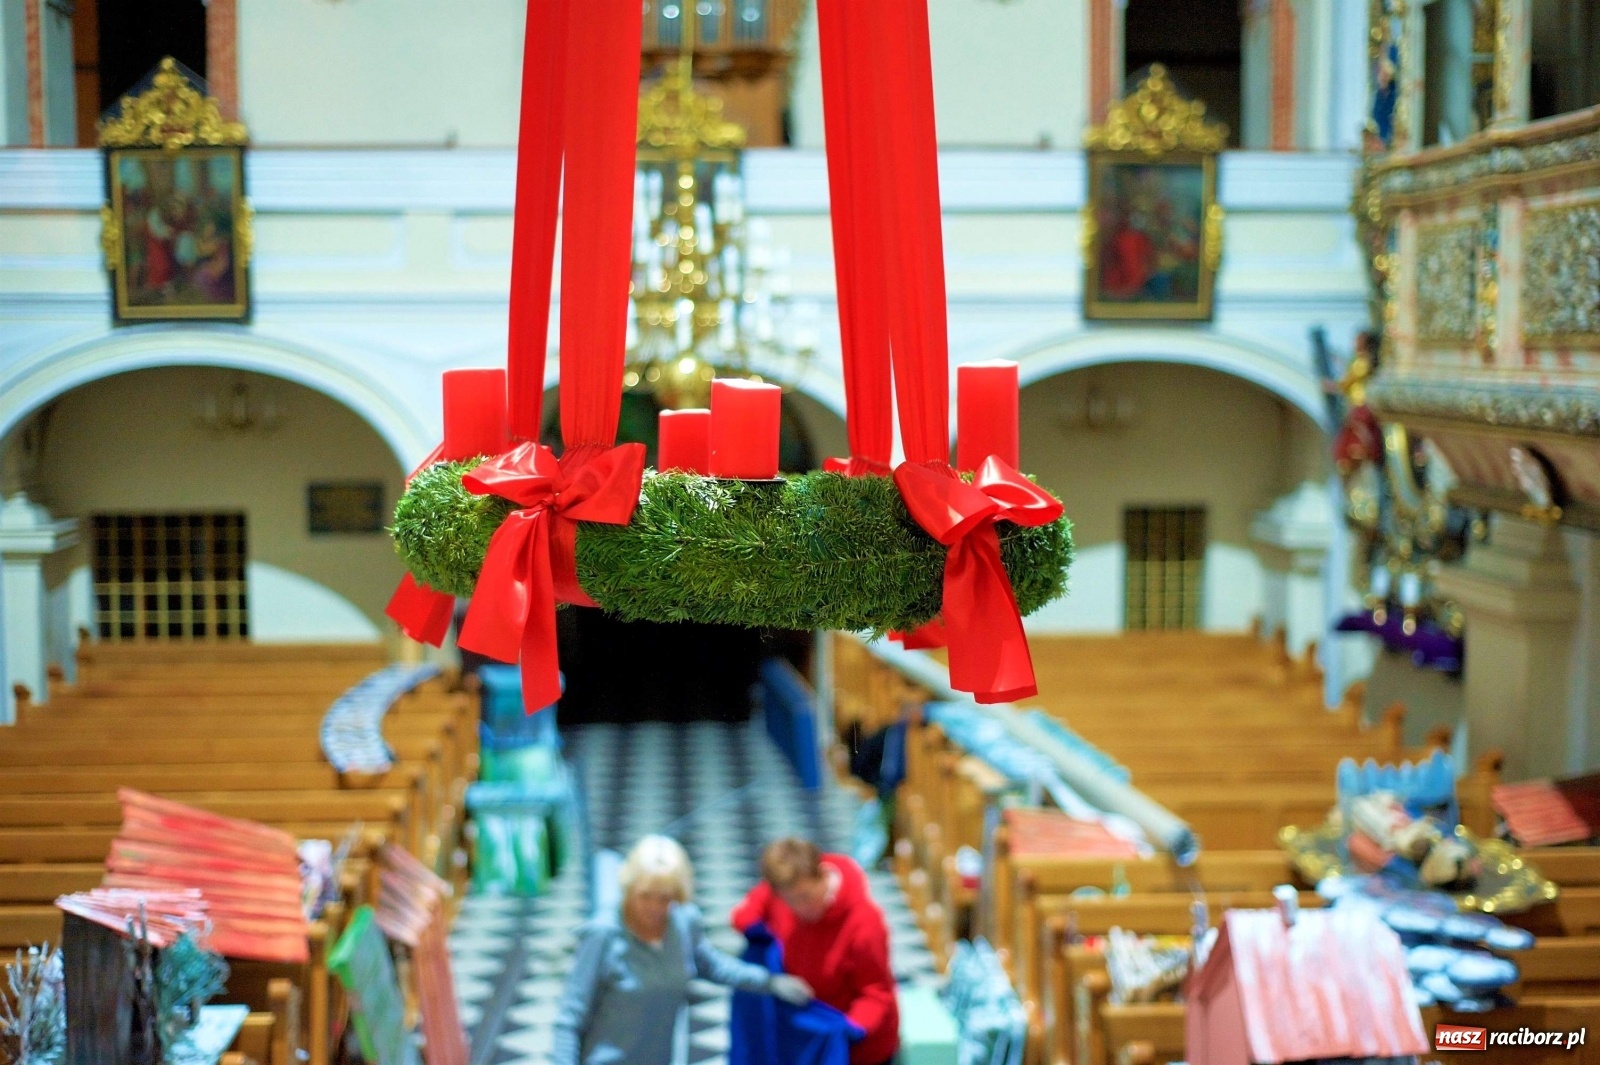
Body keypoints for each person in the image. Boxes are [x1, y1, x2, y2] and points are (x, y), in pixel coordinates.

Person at [553, 835, 812, 1065]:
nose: (655, 908)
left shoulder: (683, 923)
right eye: (645, 895)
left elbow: (711, 965)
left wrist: (770, 982)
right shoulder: (603, 935)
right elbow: (569, 1020)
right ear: (629, 888)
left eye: (665, 898)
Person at [730, 839, 899, 1065]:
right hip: (804, 1036)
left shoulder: (865, 923)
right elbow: (745, 913)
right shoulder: (784, 890)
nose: (800, 908)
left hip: (859, 1051)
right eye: (790, 900)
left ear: (822, 877)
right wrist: (758, 933)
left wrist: (851, 1030)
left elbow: (876, 995)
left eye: (806, 897)